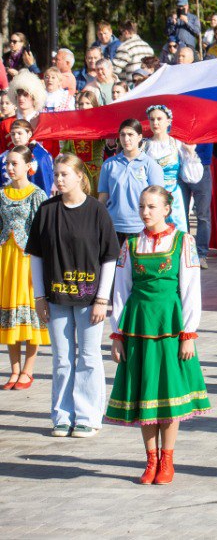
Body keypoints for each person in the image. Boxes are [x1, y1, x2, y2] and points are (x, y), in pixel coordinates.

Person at [107, 186, 210, 484]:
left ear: (166, 209)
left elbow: (191, 288)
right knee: (145, 394)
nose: (145, 212)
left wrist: (188, 332)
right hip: (138, 326)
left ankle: (168, 459)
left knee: (167, 394)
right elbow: (121, 290)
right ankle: (150, 459)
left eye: (151, 206)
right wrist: (117, 334)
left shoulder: (183, 241)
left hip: (169, 326)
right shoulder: (130, 245)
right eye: (142, 206)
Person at [29, 154, 117, 435]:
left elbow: (109, 258)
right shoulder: (46, 210)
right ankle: (62, 415)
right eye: (56, 174)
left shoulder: (97, 211)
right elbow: (36, 255)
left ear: (80, 176)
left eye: (64, 174)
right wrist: (39, 296)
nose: (58, 179)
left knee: (89, 357)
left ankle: (88, 416)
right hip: (56, 297)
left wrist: (102, 298)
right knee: (62, 358)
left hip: (89, 298)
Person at [0, 146, 48, 390]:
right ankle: (14, 369)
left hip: (28, 259)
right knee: (8, 313)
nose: (9, 168)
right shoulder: (1, 194)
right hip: (6, 258)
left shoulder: (36, 194)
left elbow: (43, 230)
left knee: (29, 313)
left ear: (28, 166)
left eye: (14, 163)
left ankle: (28, 369)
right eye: (7, 163)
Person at [97, 119, 165, 243]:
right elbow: (102, 199)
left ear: (139, 137)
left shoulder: (150, 165)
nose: (126, 139)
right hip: (113, 227)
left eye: (130, 134)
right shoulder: (109, 165)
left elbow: (159, 200)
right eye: (122, 134)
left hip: (142, 227)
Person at [142, 105, 202, 234]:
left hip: (173, 196)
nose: (155, 123)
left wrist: (191, 154)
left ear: (168, 121)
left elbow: (192, 176)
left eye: (159, 119)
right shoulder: (144, 146)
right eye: (152, 119)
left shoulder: (176, 144)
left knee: (177, 232)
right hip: (151, 197)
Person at [3, 118, 55, 196]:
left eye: (19, 133)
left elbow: (45, 183)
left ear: (29, 134)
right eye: (13, 134)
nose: (16, 137)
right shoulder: (6, 155)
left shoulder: (40, 156)